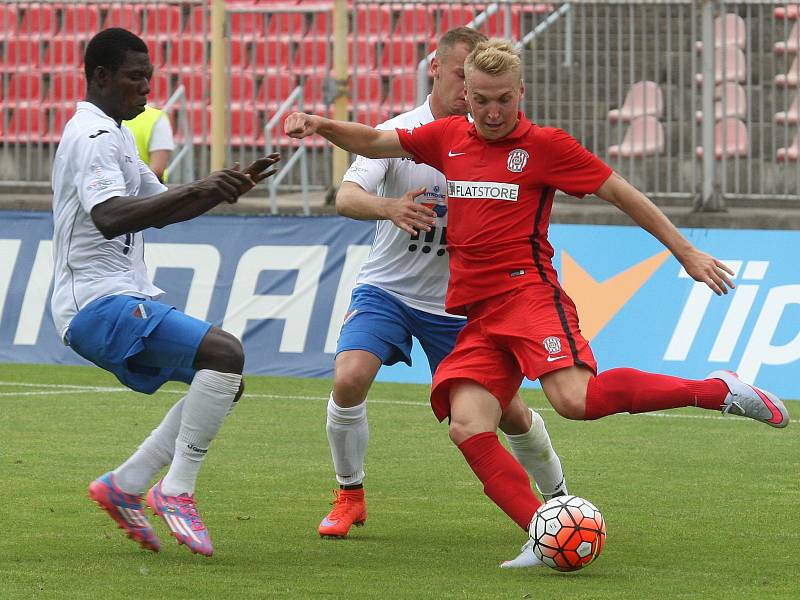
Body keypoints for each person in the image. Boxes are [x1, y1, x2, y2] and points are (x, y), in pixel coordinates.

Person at [284, 38, 790, 567]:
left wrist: (685, 251)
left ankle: (717, 390)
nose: (493, 111)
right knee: (468, 424)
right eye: (481, 99)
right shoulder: (448, 136)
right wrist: (319, 124)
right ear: (467, 94)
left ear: (520, 92)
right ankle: (543, 531)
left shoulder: (546, 146)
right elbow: (372, 139)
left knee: (575, 401)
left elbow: (621, 192)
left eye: (503, 98)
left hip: (527, 295)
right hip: (478, 315)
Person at [319, 27, 568, 551]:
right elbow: (346, 195)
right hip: (387, 290)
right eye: (462, 76)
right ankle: (349, 494)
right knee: (349, 377)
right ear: (436, 68)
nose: (469, 89)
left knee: (509, 414)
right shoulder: (402, 132)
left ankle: (560, 499)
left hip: (461, 308)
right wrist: (388, 207)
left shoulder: (498, 142)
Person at [50, 28, 280, 557]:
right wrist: (200, 187)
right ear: (101, 77)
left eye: (149, 77)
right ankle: (175, 490)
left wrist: (223, 187)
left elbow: (166, 207)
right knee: (226, 354)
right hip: (95, 301)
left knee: (223, 381)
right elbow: (108, 217)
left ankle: (125, 484)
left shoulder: (119, 136)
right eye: (135, 78)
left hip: (118, 294)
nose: (147, 89)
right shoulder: (93, 137)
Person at [123, 104, 174, 182]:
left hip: (110, 188)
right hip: (146, 189)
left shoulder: (102, 115)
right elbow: (157, 170)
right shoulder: (155, 118)